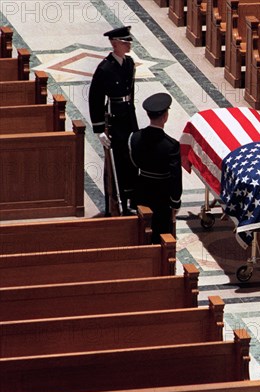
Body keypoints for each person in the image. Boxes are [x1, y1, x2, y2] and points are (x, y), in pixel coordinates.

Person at [89, 26, 139, 216]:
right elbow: (96, 99)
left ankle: (133, 197)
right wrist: (99, 129)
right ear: (114, 43)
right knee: (117, 160)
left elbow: (130, 92)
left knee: (132, 157)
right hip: (115, 120)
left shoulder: (129, 63)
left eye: (129, 42)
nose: (128, 45)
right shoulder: (105, 68)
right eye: (125, 42)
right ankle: (117, 201)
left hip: (129, 117)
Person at [128, 93, 182, 244]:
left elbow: (133, 163)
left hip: (141, 192)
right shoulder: (171, 145)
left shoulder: (135, 137)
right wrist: (175, 202)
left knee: (141, 234)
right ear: (165, 116)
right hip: (162, 197)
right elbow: (175, 177)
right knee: (161, 237)